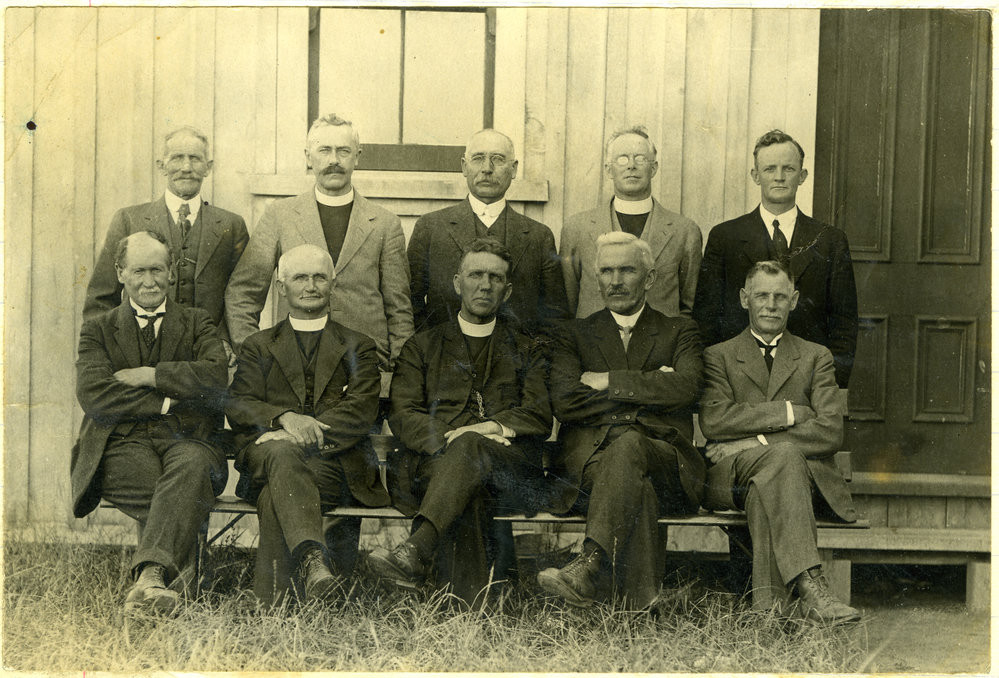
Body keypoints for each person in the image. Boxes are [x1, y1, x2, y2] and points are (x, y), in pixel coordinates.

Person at [368, 238, 552, 605]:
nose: (485, 285)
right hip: (430, 465)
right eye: (476, 275)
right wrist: (453, 440)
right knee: (469, 482)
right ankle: (477, 606)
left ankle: (417, 552)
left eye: (496, 278)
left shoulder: (527, 347)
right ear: (457, 283)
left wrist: (485, 430)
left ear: (508, 289)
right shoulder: (422, 346)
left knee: (472, 459)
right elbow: (403, 412)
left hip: (508, 470)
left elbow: (538, 413)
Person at [540, 232, 705, 610]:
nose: (615, 281)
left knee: (630, 443)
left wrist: (609, 381)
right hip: (590, 470)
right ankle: (641, 606)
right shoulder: (573, 334)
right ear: (596, 279)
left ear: (649, 278)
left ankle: (590, 565)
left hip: (668, 464)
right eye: (607, 271)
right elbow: (565, 402)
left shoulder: (680, 330)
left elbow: (686, 388)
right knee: (637, 484)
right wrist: (651, 387)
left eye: (627, 270)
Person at [72, 231, 228, 614]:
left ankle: (149, 580)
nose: (149, 281)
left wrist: (150, 375)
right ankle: (169, 585)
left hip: (189, 441)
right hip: (121, 444)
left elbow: (215, 376)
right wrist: (170, 401)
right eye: (139, 271)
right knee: (178, 493)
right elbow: (95, 394)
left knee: (190, 467)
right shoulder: (99, 328)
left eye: (157, 270)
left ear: (172, 272)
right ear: (121, 273)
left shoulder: (197, 322)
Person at [699, 260, 860, 624]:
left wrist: (751, 440)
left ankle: (770, 618)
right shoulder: (718, 356)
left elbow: (830, 431)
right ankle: (811, 584)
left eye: (780, 297)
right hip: (732, 479)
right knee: (782, 456)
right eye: (761, 296)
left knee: (772, 477)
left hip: (795, 478)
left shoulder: (816, 356)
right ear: (744, 299)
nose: (771, 304)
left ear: (794, 300)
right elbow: (714, 419)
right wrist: (791, 412)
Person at [226, 244, 389, 605]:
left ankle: (272, 602)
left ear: (333, 283)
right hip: (270, 457)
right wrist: (284, 418)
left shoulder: (359, 345)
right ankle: (313, 562)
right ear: (281, 287)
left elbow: (361, 409)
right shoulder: (258, 345)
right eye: (300, 277)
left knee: (276, 486)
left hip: (335, 465)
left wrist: (296, 435)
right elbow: (239, 404)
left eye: (319, 276)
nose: (310, 285)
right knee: (281, 454)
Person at [225, 113, 413, 379]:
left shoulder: (384, 223)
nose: (334, 160)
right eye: (324, 150)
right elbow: (243, 292)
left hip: (364, 366)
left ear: (357, 156)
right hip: (293, 365)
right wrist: (255, 355)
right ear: (307, 156)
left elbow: (399, 308)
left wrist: (399, 369)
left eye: (343, 151)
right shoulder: (280, 215)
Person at [692, 129, 858, 388]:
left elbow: (844, 323)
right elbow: (706, 318)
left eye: (788, 169)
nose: (779, 177)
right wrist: (718, 381)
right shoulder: (725, 237)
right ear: (755, 176)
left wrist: (829, 384)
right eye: (770, 169)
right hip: (740, 381)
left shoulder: (830, 240)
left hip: (809, 381)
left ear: (802, 176)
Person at [84, 126, 248, 357]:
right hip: (142, 349)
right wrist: (110, 348)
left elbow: (241, 296)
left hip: (208, 351)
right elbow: (101, 296)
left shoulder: (232, 225)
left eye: (195, 159)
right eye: (177, 158)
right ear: (162, 166)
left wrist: (225, 341)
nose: (186, 167)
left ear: (208, 167)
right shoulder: (129, 219)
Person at [407, 128, 568, 334]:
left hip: (518, 360)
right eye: (478, 158)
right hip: (446, 358)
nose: (487, 168)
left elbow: (555, 314)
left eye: (498, 159)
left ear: (514, 168)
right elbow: (411, 303)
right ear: (464, 167)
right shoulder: (430, 227)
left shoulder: (539, 236)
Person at [560, 126, 702, 319]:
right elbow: (568, 301)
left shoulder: (685, 231)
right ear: (609, 169)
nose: (631, 166)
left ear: (653, 168)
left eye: (640, 158)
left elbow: (689, 306)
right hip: (593, 344)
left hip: (661, 345)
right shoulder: (576, 228)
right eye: (622, 159)